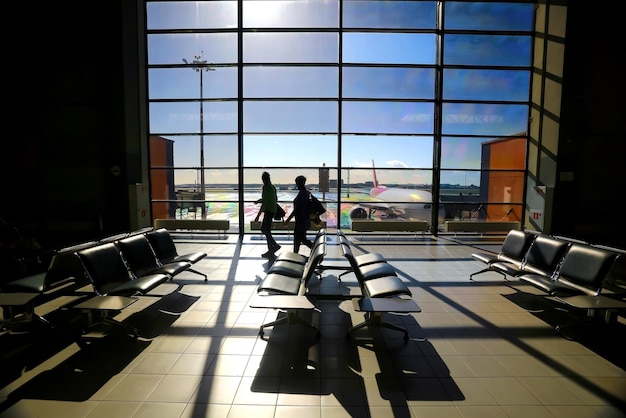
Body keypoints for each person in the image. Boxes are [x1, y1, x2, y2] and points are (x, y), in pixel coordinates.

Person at [284, 175, 313, 254]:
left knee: (299, 238)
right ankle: (295, 254)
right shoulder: (305, 193)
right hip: (303, 220)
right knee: (301, 239)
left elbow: (296, 210)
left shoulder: (302, 195)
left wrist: (288, 220)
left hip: (301, 221)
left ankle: (295, 255)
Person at [254, 172, 280, 257]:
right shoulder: (272, 187)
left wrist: (257, 216)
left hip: (268, 211)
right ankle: (271, 249)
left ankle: (274, 246)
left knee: (264, 229)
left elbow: (265, 202)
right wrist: (259, 201)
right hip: (273, 210)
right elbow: (273, 198)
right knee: (266, 230)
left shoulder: (266, 187)